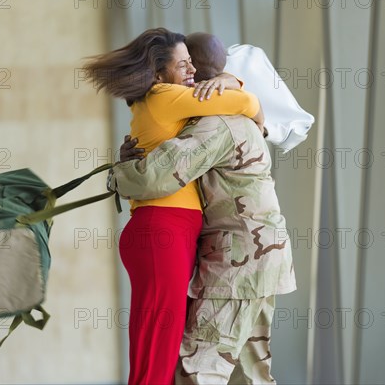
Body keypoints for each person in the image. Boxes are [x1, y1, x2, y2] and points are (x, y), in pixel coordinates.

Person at [108, 32, 297, 384]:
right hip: (256, 261)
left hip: (238, 264)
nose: (190, 71)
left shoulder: (216, 125)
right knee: (247, 370)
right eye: (183, 65)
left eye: (190, 63)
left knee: (200, 369)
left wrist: (117, 174)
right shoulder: (231, 120)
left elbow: (154, 177)